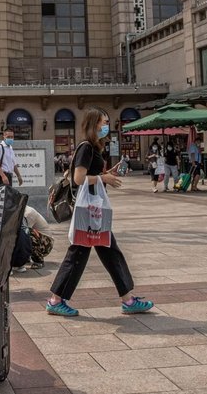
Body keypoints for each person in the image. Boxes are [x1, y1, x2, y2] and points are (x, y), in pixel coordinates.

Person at [45, 109, 153, 317]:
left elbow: (88, 175)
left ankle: (128, 299)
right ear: (95, 124)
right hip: (89, 211)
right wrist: (104, 179)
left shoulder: (92, 148)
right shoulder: (86, 147)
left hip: (93, 210)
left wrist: (105, 175)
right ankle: (55, 300)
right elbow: (78, 179)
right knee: (80, 253)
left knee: (109, 251)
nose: (107, 126)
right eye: (104, 122)